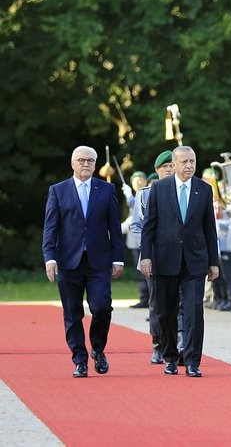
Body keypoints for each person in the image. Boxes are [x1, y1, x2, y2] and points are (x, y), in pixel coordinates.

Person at [43, 145, 124, 378]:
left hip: (99, 261)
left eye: (90, 160)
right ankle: (79, 359)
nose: (86, 164)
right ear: (72, 163)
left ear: (95, 164)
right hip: (68, 262)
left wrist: (118, 259)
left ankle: (97, 349)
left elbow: (114, 228)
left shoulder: (106, 190)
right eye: (81, 160)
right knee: (72, 312)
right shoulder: (58, 191)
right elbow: (51, 229)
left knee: (101, 308)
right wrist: (50, 259)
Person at [139, 146, 220, 377]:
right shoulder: (159, 189)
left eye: (192, 161)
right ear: (173, 165)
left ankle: (193, 361)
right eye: (184, 162)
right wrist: (146, 256)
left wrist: (213, 262)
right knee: (166, 312)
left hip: (195, 261)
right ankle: (170, 356)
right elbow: (149, 227)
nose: (189, 166)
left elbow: (209, 228)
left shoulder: (204, 190)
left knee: (194, 310)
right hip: (165, 259)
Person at [129, 150, 174, 364]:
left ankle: (178, 342)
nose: (169, 169)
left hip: (179, 256)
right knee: (157, 302)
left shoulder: (185, 191)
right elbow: (136, 226)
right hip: (154, 257)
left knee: (181, 302)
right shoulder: (145, 194)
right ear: (157, 170)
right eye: (165, 167)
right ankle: (158, 343)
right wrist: (149, 246)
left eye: (172, 165)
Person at [122, 171, 149, 308]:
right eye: (135, 181)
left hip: (146, 240)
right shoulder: (134, 197)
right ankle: (144, 297)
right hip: (134, 240)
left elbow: (136, 205)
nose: (138, 183)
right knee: (140, 272)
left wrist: (129, 196)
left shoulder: (144, 194)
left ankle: (148, 298)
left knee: (147, 273)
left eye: (140, 180)